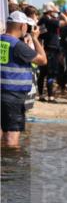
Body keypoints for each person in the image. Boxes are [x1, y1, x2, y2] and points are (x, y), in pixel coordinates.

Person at [2, 11, 47, 148]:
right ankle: (12, 168)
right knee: (11, 139)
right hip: (12, 97)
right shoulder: (17, 45)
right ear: (22, 26)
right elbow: (42, 60)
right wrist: (35, 38)